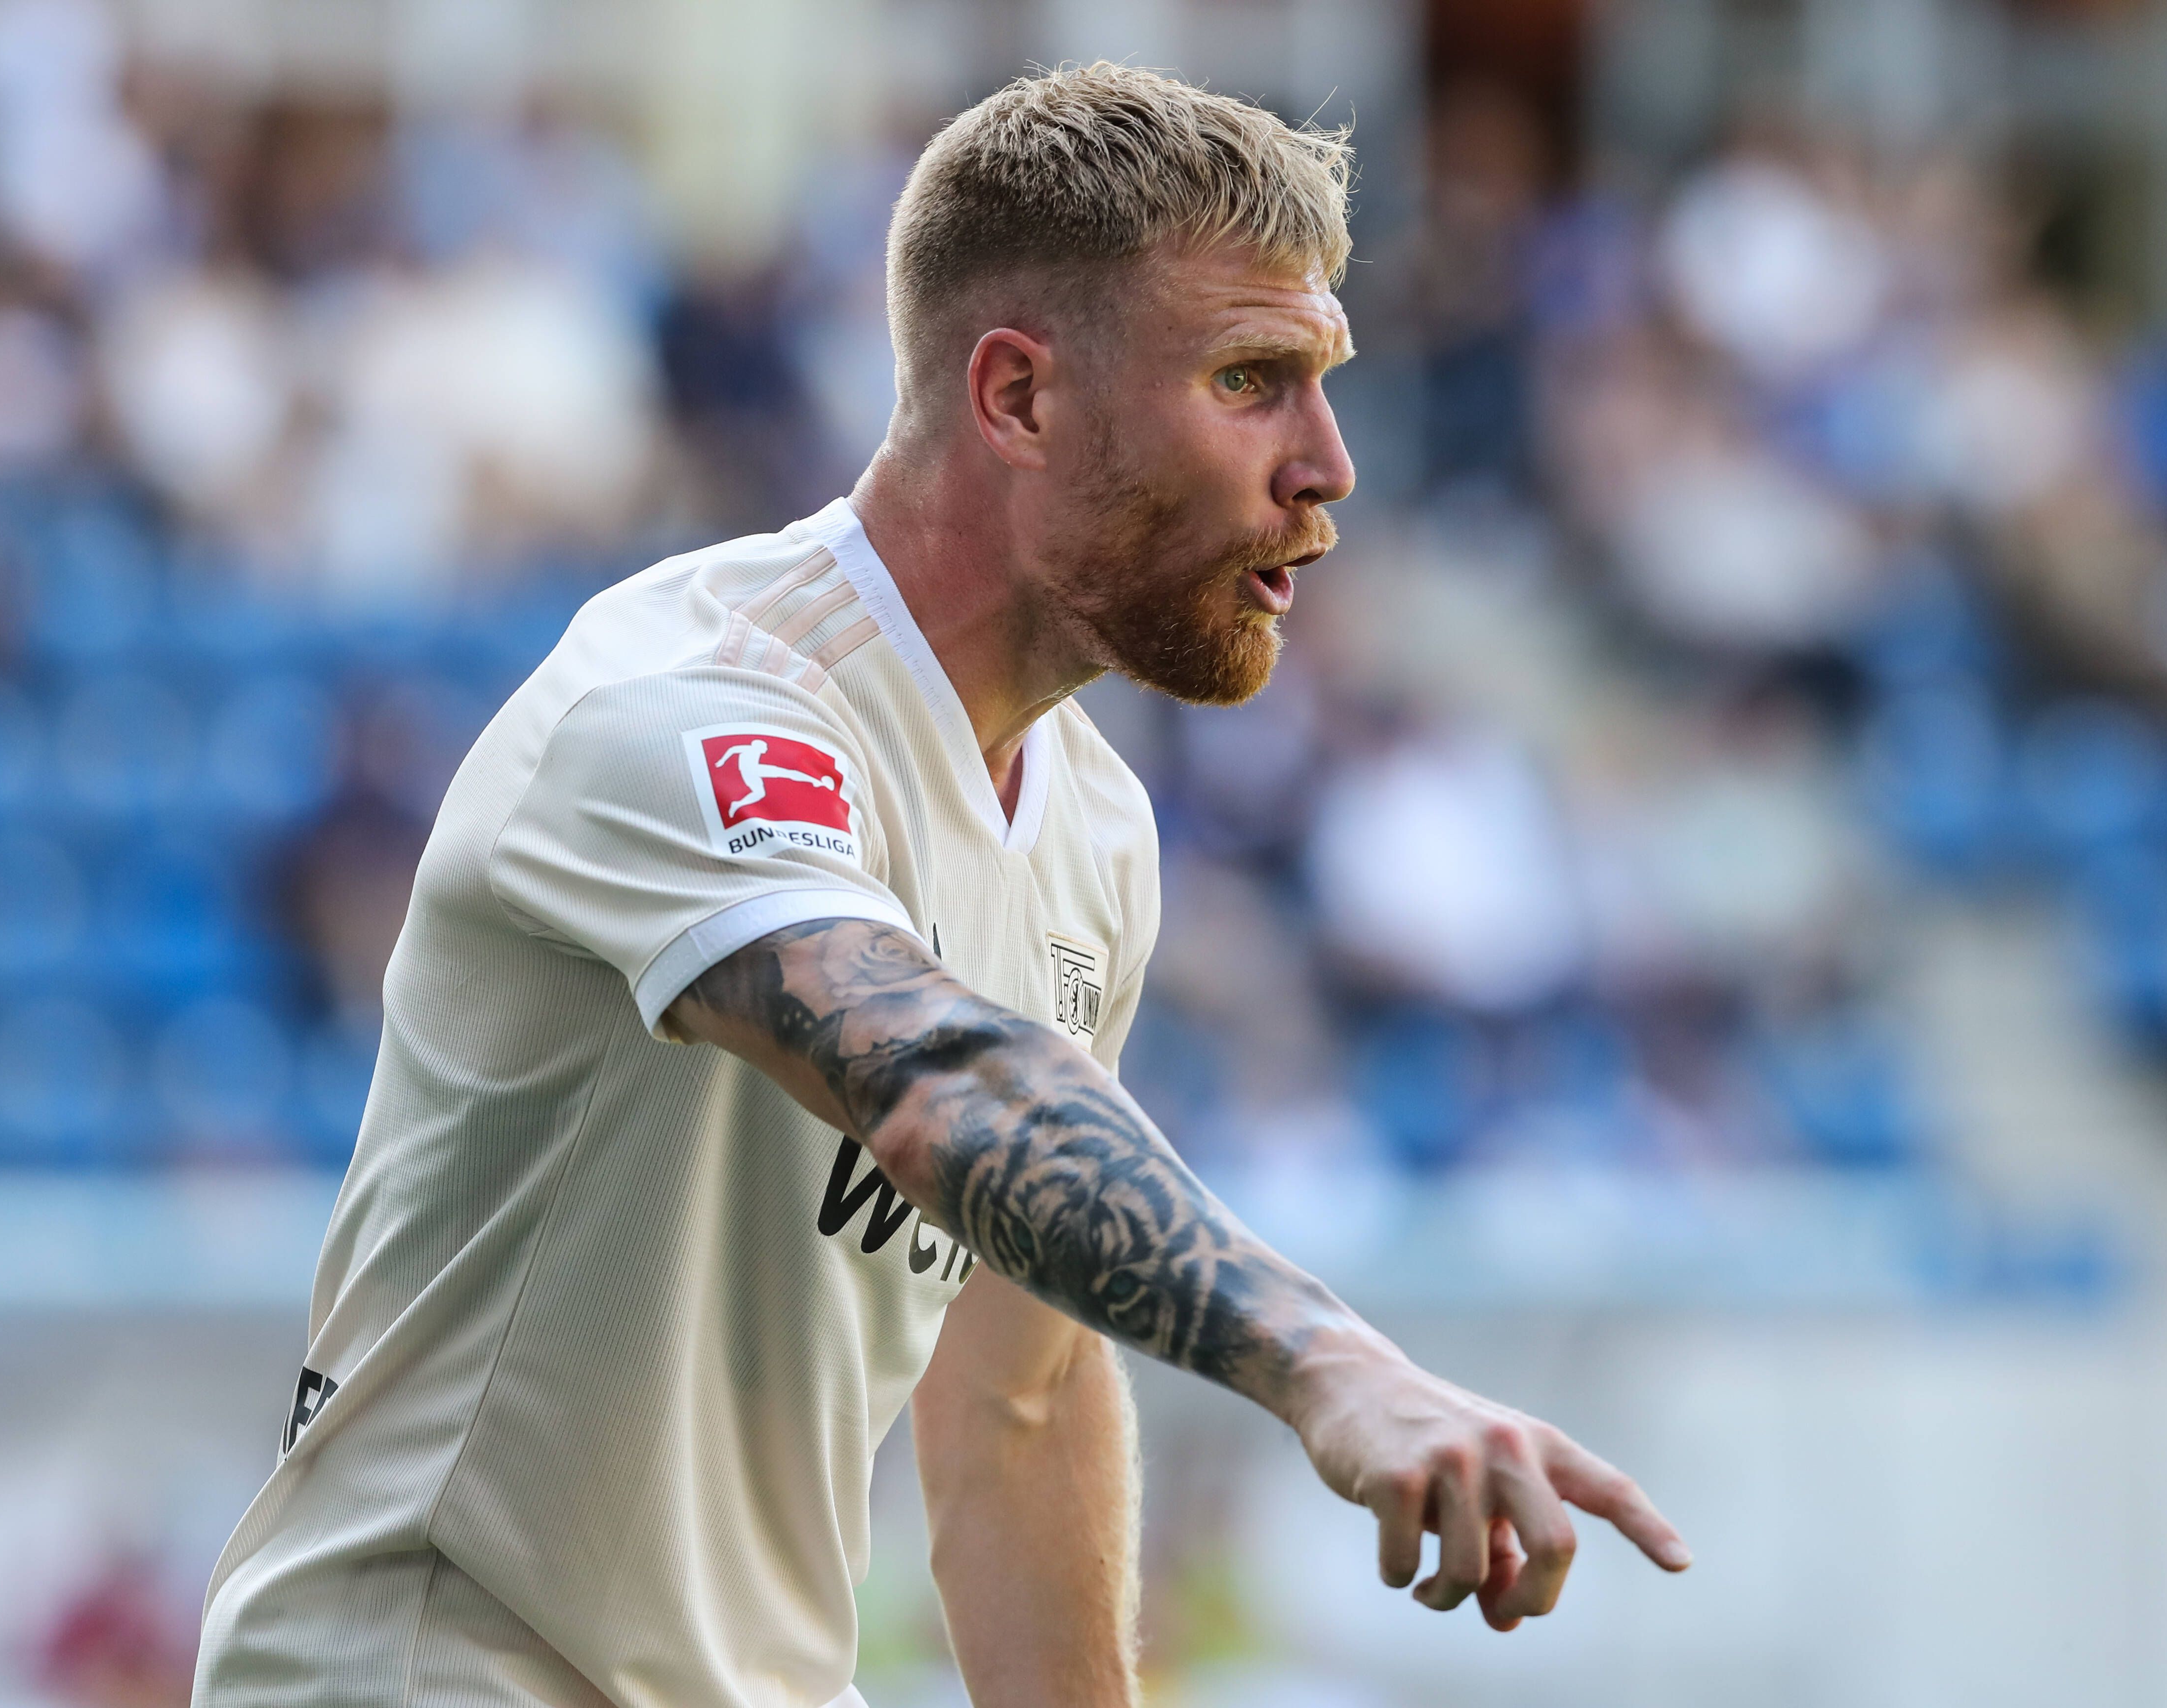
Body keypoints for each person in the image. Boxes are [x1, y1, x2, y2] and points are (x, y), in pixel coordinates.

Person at [193, 63, 1689, 1708]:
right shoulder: (692, 708)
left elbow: (1021, 1396)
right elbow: (934, 1082)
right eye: (1251, 379)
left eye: (1322, 384)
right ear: (1019, 399)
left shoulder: (1092, 829)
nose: (1326, 464)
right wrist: (1331, 1363)